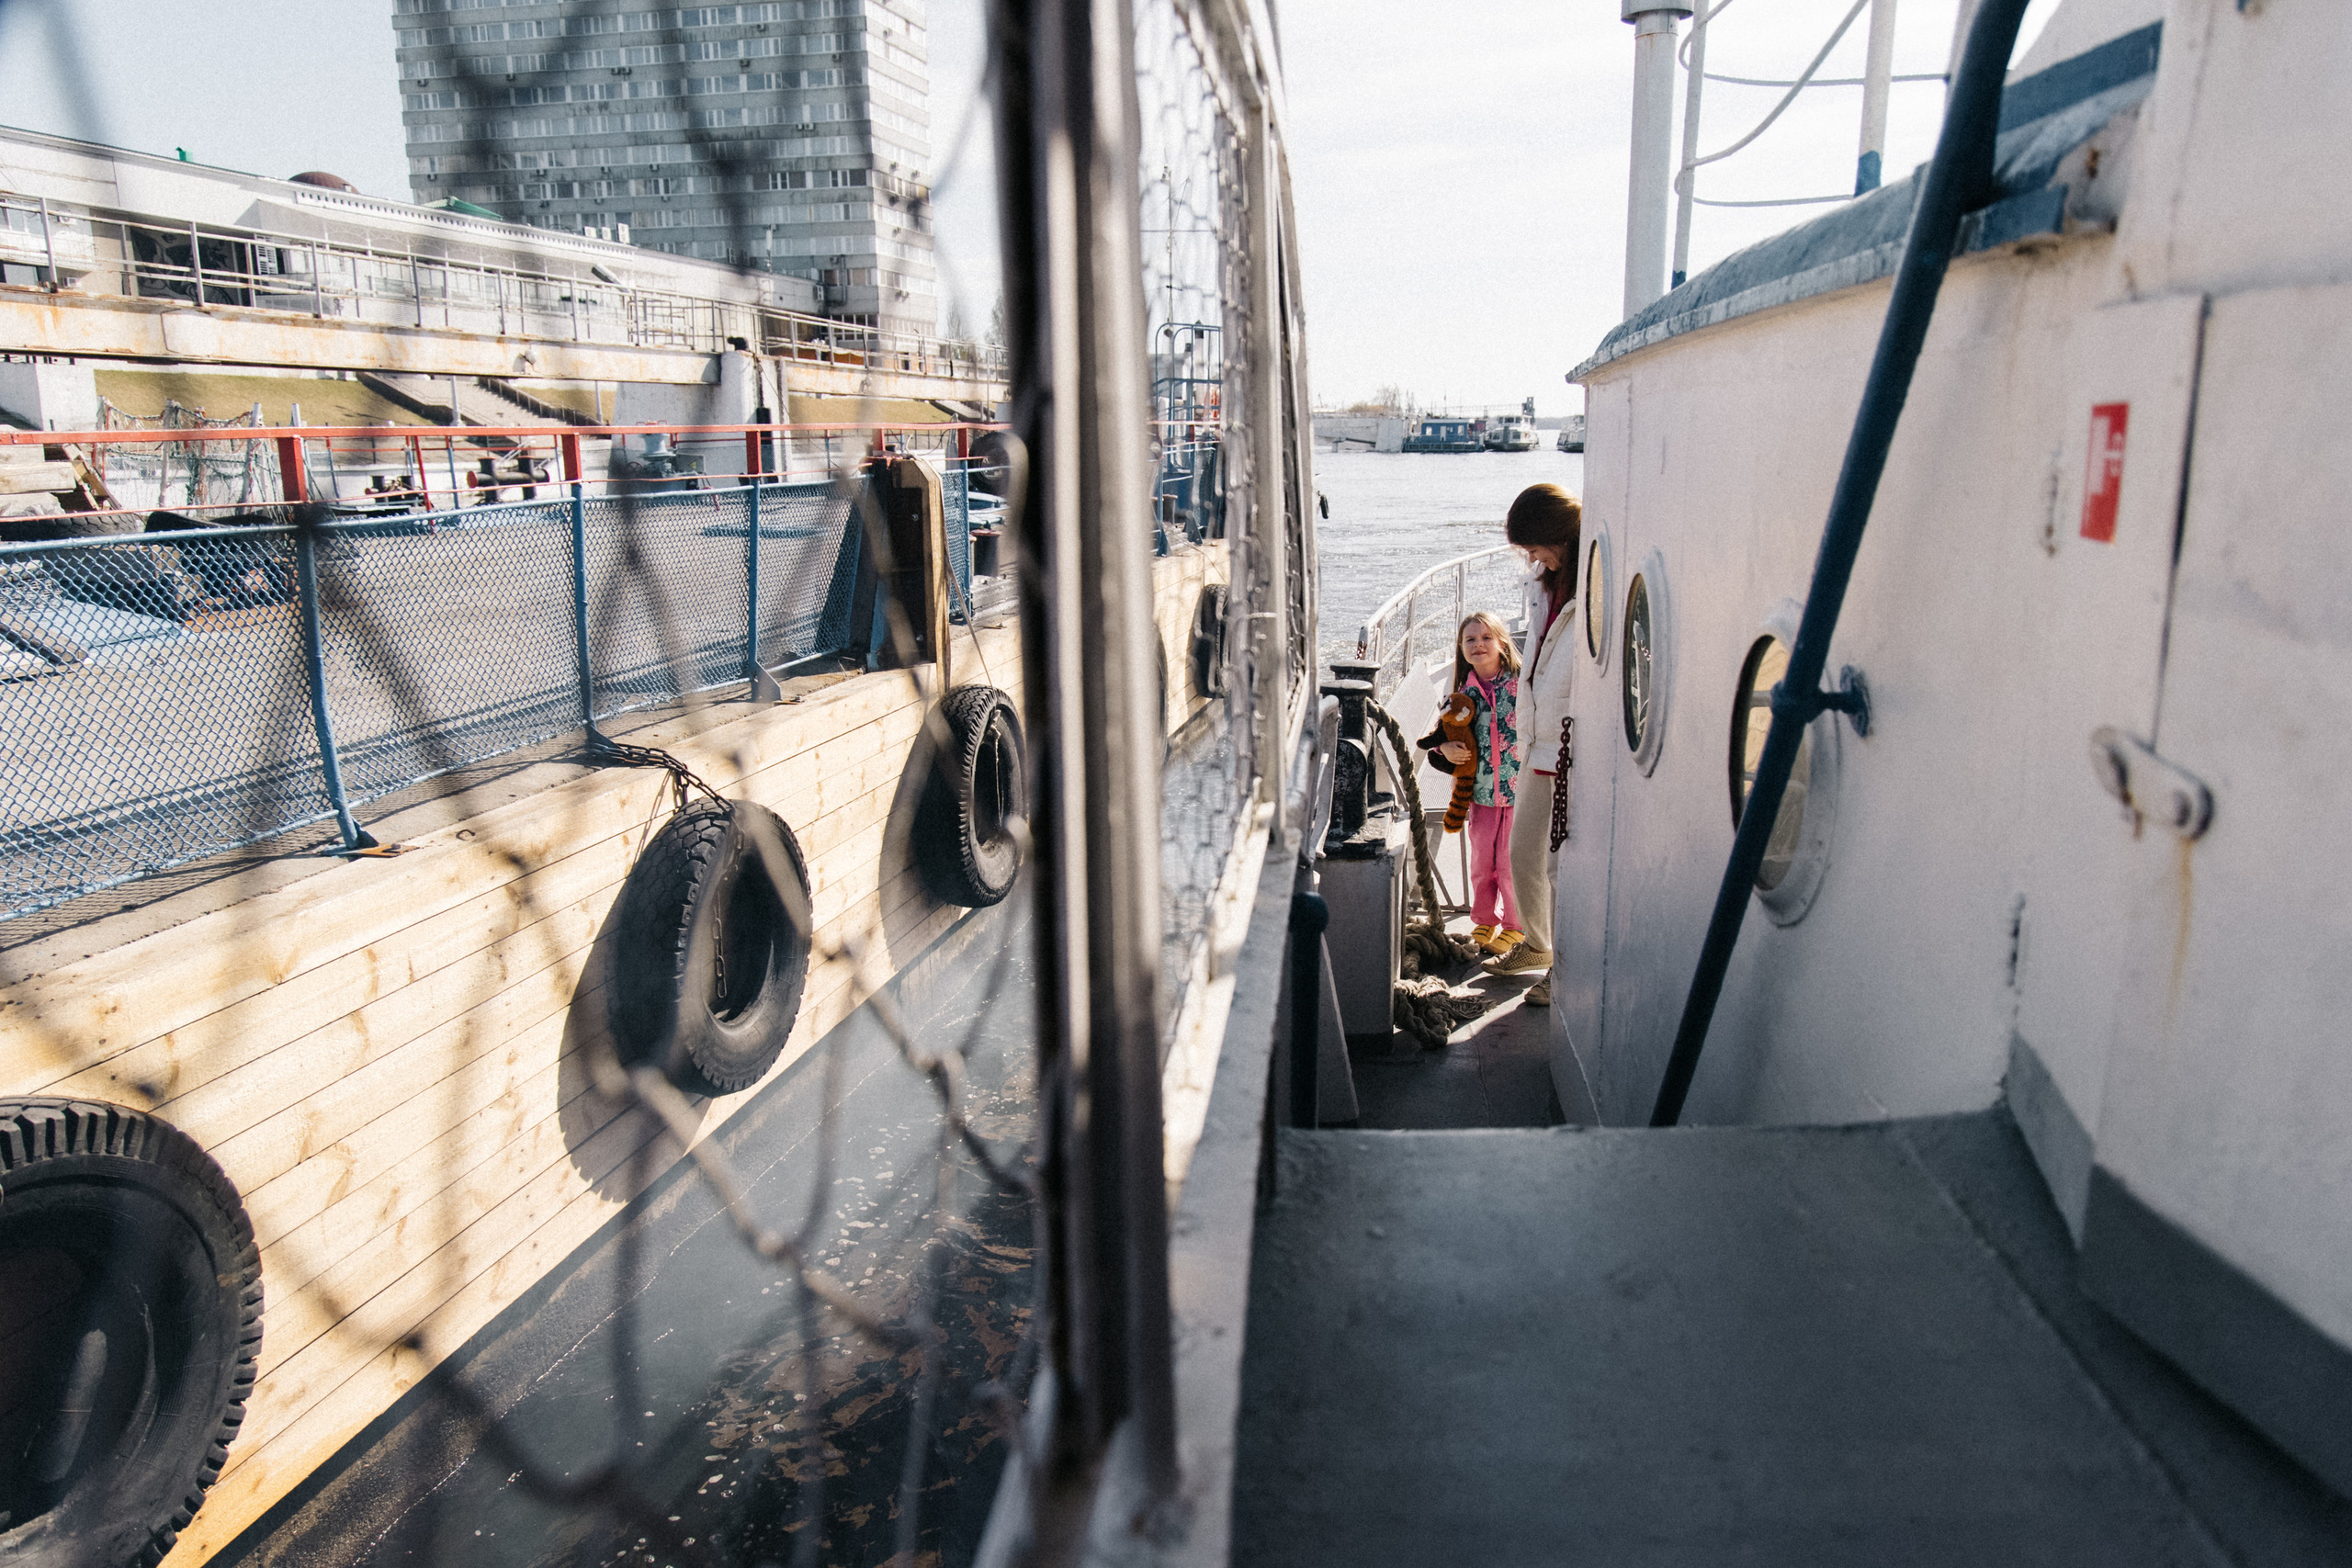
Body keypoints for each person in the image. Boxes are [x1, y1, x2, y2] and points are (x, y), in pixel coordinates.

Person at [1486, 483, 1581, 1006]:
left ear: (1557, 535)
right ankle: (1540, 945)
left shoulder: (1589, 587)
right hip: (1539, 742)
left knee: (1555, 864)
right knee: (1525, 853)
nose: (1532, 557)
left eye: (1535, 546)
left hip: (1565, 747)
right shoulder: (1549, 590)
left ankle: (1561, 967)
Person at [1415, 611, 1524, 955]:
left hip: (1519, 794)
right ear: (1461, 649)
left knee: (1510, 864)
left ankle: (1514, 926)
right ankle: (1484, 919)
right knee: (1482, 863)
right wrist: (1446, 748)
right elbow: (1436, 741)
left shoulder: (1522, 684)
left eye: (1486, 637)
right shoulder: (1462, 696)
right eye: (1470, 639)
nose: (1478, 645)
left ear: (1502, 643)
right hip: (1480, 795)